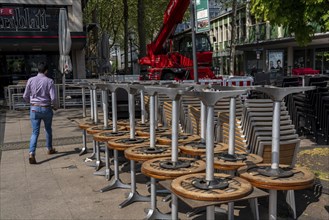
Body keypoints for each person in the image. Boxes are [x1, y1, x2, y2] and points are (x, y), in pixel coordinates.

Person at [23, 62, 58, 164]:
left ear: (37, 70)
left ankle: (31, 153)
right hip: (46, 108)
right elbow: (54, 97)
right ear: (46, 71)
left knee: (35, 132)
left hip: (34, 109)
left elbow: (25, 95)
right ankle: (49, 148)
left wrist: (31, 102)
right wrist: (55, 106)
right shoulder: (49, 81)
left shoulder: (30, 80)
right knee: (48, 129)